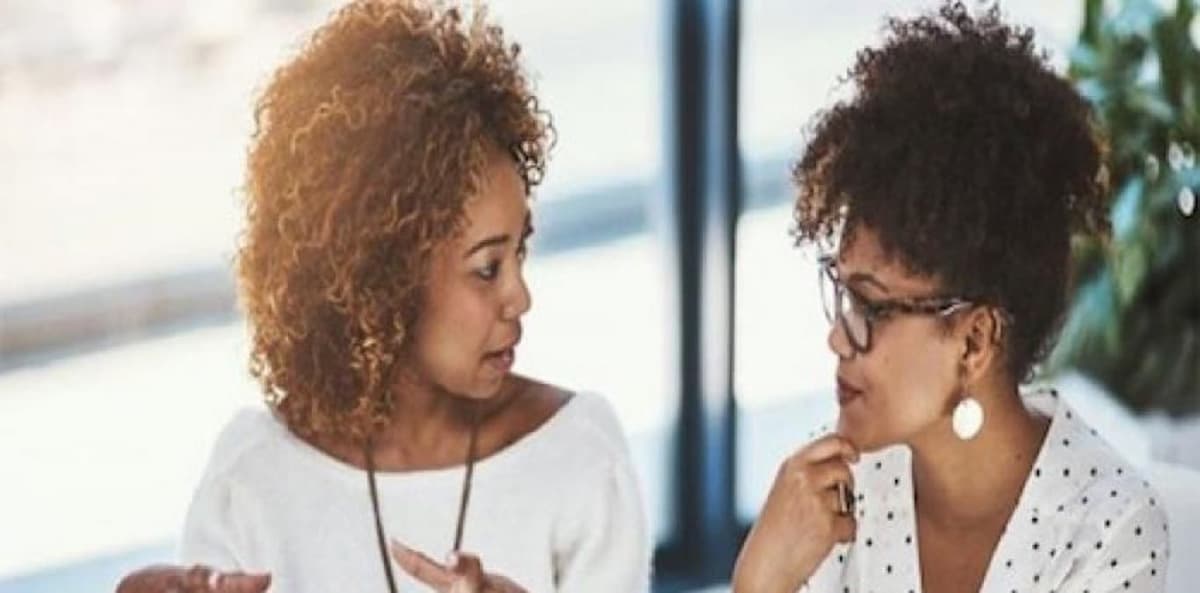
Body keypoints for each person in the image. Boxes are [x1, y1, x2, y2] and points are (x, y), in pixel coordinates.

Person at [116, 1, 650, 592]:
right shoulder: (254, 477)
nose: (520, 298)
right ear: (382, 277)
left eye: (520, 253)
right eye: (487, 268)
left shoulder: (578, 456)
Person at [732, 3, 1170, 593]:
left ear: (974, 341)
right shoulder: (831, 492)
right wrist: (759, 582)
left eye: (872, 309)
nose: (837, 336)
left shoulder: (1109, 531)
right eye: (842, 294)